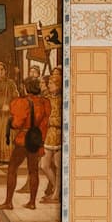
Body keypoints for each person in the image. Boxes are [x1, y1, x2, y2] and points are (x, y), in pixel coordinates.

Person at [1, 77, 50, 210]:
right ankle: (32, 202)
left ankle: (8, 202)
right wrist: (41, 140)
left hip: (23, 139)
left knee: (12, 169)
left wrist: (10, 123)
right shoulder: (45, 102)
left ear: (26, 88)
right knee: (33, 171)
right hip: (36, 139)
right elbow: (45, 124)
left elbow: (17, 124)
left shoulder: (22, 102)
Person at [41, 69, 64, 200]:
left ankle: (56, 194)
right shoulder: (47, 98)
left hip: (59, 134)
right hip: (49, 134)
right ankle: (57, 189)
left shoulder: (62, 99)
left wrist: (50, 120)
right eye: (48, 83)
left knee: (57, 164)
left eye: (51, 84)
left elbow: (63, 120)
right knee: (44, 165)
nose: (49, 86)